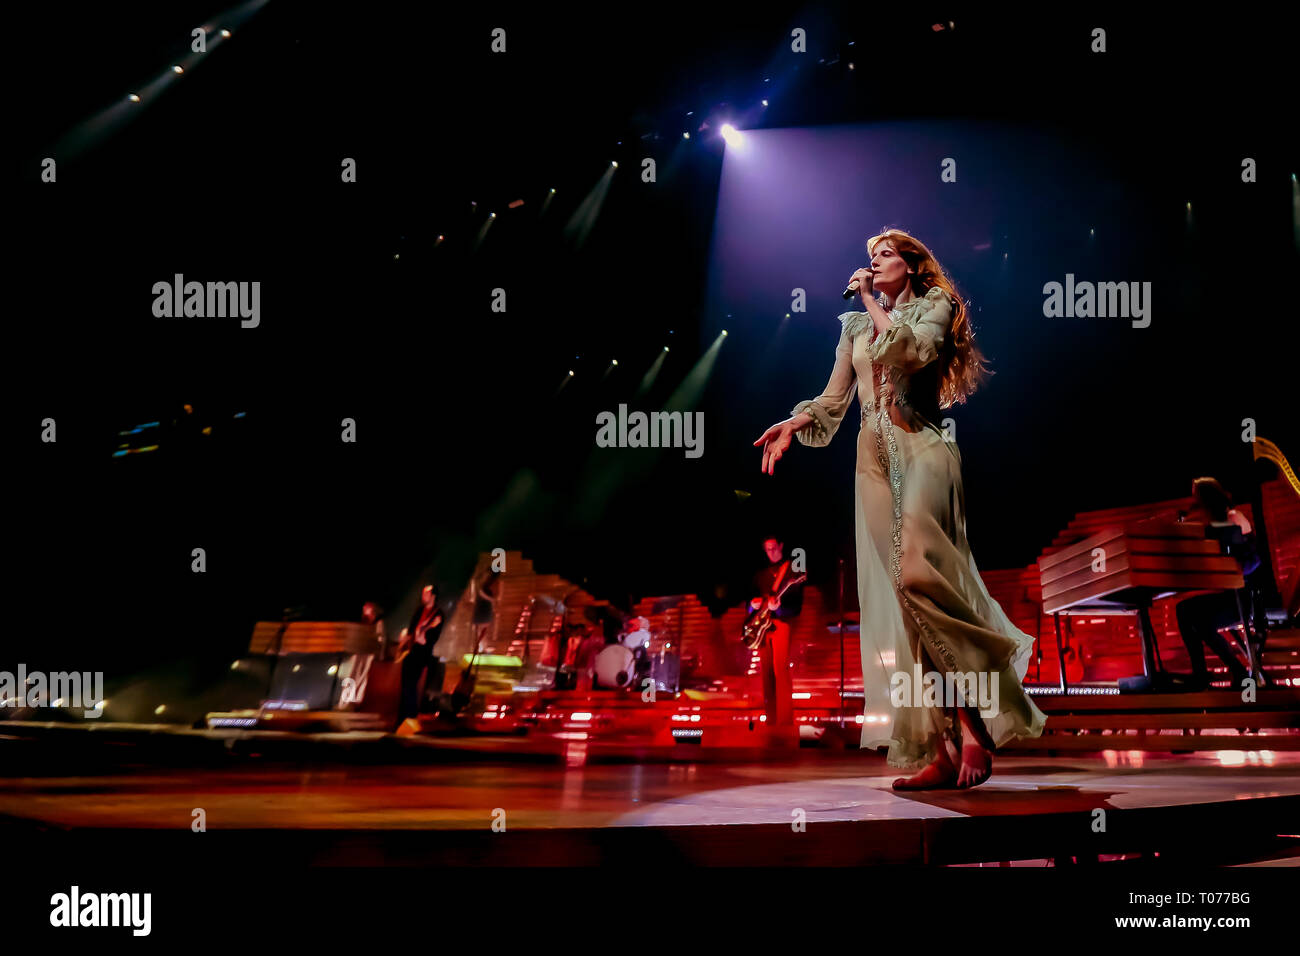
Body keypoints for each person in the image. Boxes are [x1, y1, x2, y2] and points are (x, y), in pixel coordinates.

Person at [754, 228, 1046, 789]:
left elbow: (911, 353)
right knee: (910, 609)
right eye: (869, 258)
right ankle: (941, 747)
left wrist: (869, 298)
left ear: (910, 265)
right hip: (870, 465)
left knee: (918, 573)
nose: (873, 263)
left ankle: (975, 717)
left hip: (922, 449)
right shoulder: (855, 328)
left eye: (884, 256)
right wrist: (795, 421)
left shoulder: (935, 305)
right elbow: (834, 398)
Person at [1173, 477, 1266, 690]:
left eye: (1198, 499)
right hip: (1229, 595)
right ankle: (1202, 675)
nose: (1196, 505)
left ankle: (1238, 671)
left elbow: (1252, 561)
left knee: (1197, 619)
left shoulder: (1233, 517)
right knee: (1184, 611)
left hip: (1242, 598)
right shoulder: (1217, 522)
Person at [748, 536, 804, 745]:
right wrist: (752, 605)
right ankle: (771, 720)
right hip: (762, 627)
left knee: (780, 668)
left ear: (781, 546)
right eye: (767, 549)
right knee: (766, 672)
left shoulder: (791, 571)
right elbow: (751, 600)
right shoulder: (760, 575)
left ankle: (785, 721)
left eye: (773, 548)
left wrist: (778, 607)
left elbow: (796, 605)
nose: (771, 552)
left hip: (781, 623)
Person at [395, 585, 445, 733]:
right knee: (405, 686)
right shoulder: (419, 610)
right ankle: (401, 719)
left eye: (426, 593)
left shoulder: (438, 614)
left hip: (423, 653)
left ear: (433, 596)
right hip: (411, 652)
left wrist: (425, 638)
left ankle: (410, 718)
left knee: (411, 687)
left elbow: (433, 636)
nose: (423, 596)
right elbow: (411, 631)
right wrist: (404, 641)